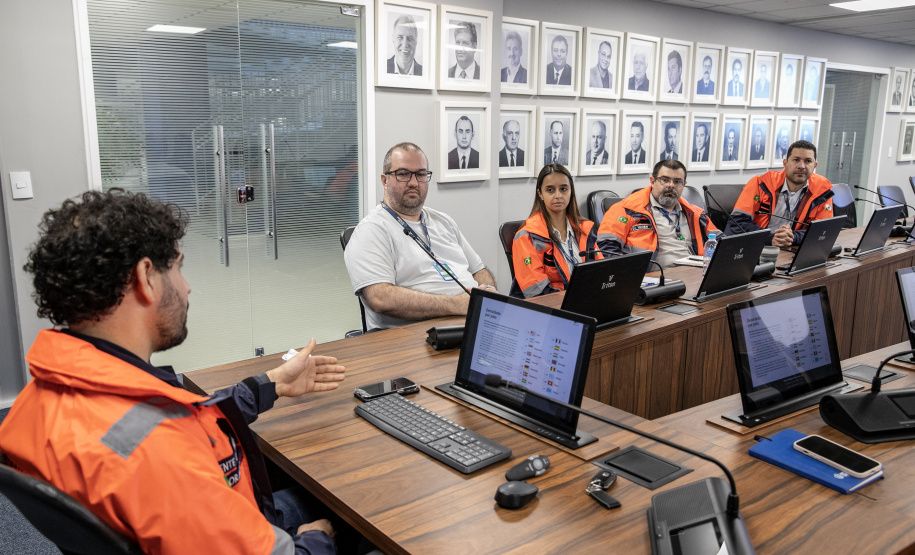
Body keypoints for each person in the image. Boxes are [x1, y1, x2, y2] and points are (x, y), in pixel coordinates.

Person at [0, 190, 345, 554]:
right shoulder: (162, 453)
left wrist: (269, 384)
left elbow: (171, 421)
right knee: (348, 503)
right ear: (146, 277)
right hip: (247, 535)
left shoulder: (38, 400)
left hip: (196, 528)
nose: (187, 285)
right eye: (178, 267)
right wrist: (318, 536)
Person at [345, 142, 497, 330]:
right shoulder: (371, 230)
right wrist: (458, 305)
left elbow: (479, 270)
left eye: (421, 174)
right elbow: (380, 298)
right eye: (402, 174)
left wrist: (489, 295)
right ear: (385, 181)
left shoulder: (444, 222)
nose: (413, 182)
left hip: (472, 324)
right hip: (413, 338)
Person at [597, 159, 717, 268]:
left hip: (694, 273)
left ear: (684, 185)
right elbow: (606, 250)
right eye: (665, 180)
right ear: (653, 181)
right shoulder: (625, 210)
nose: (671, 185)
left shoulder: (695, 214)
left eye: (677, 181)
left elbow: (723, 244)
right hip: (652, 279)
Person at [510, 164, 602, 298]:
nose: (558, 195)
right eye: (550, 190)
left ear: (571, 191)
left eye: (563, 189)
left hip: (585, 302)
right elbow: (536, 292)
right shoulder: (526, 236)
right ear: (540, 194)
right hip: (548, 309)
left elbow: (602, 272)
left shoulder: (584, 229)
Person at [724, 140, 834, 247]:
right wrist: (770, 238)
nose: (802, 166)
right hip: (757, 247)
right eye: (796, 160)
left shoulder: (822, 191)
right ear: (785, 163)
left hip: (792, 250)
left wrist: (793, 237)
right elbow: (736, 223)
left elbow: (823, 230)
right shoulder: (761, 183)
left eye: (808, 161)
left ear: (815, 165)